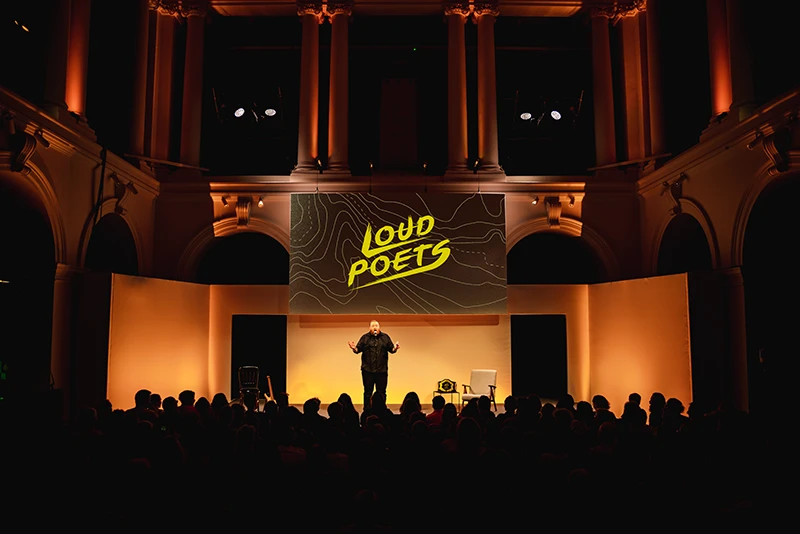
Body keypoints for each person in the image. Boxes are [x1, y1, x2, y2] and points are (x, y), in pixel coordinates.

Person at [348, 319, 399, 410]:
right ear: (369, 328)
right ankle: (367, 410)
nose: (375, 327)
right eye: (373, 326)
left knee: (382, 392)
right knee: (368, 392)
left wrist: (395, 348)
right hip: (368, 371)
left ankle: (381, 409)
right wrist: (353, 348)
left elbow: (391, 350)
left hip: (382, 371)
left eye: (376, 325)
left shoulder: (385, 337)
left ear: (379, 327)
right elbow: (358, 350)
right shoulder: (365, 338)